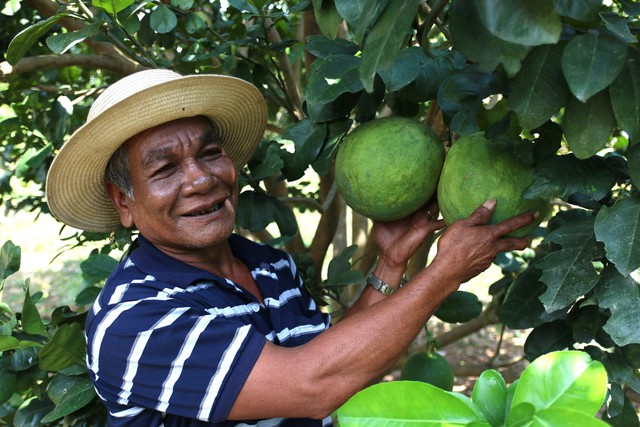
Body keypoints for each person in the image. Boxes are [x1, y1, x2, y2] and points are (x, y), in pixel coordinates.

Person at [45, 69, 537, 426]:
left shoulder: (268, 265)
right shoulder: (135, 319)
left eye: (210, 153)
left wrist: (391, 262)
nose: (200, 179)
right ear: (123, 203)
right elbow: (312, 387)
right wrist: (444, 274)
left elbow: (339, 365)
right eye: (164, 168)